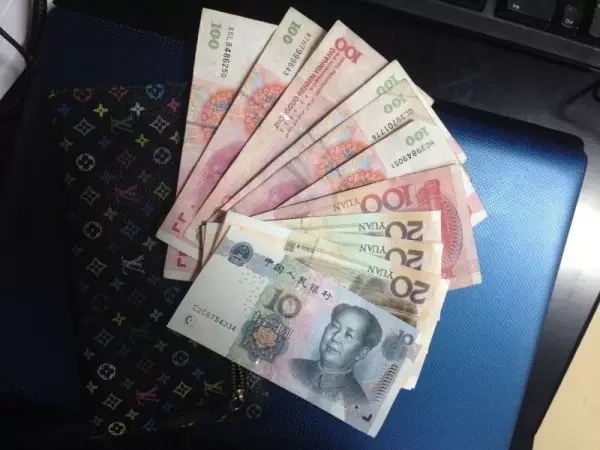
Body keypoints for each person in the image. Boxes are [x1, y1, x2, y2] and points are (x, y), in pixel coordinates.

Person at [290, 303, 383, 408]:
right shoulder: (292, 366)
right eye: (335, 327)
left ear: (361, 353)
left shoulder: (357, 402)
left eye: (348, 335)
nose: (335, 337)